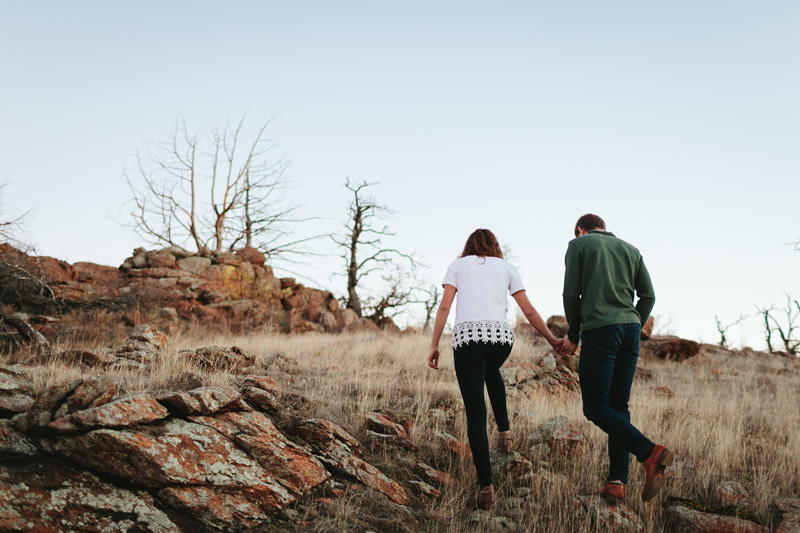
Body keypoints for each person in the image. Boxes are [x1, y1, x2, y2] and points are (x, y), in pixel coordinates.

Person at [428, 228, 562, 510]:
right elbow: (529, 311)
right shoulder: (507, 267)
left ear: (469, 245)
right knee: (491, 372)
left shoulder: (457, 265)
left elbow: (444, 308)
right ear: (494, 246)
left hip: (467, 340)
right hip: (500, 340)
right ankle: (504, 433)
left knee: (476, 413)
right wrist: (552, 339)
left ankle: (486, 488)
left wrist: (434, 345)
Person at [561, 214, 672, 503]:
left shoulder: (579, 245)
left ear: (580, 229)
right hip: (630, 332)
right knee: (617, 407)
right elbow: (648, 296)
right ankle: (616, 482)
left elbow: (571, 294)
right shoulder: (631, 249)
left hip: (601, 330)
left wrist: (574, 334)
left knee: (596, 407)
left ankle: (650, 452)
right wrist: (635, 324)